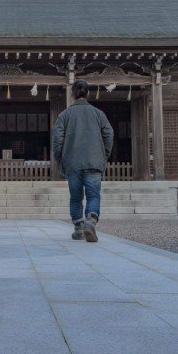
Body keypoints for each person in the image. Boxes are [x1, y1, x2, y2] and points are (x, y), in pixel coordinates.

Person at [52, 79, 114, 242]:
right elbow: (109, 135)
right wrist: (104, 154)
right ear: (88, 93)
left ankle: (79, 228)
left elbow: (57, 138)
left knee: (75, 196)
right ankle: (91, 221)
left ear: (72, 94)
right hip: (94, 160)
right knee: (93, 195)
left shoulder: (64, 115)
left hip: (72, 162)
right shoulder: (99, 114)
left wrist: (59, 157)